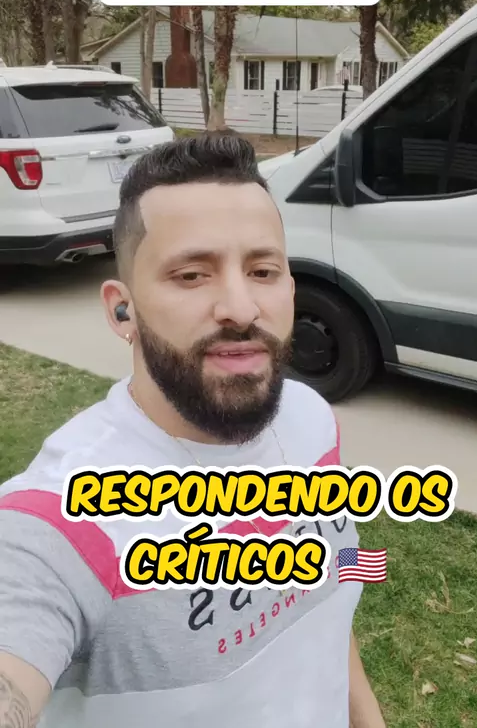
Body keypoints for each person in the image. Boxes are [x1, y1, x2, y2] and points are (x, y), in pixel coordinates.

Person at [0, 135, 386, 728]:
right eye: (191, 275)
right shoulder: (57, 526)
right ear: (122, 310)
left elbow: (325, 608)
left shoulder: (309, 419)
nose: (241, 307)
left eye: (262, 270)